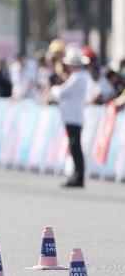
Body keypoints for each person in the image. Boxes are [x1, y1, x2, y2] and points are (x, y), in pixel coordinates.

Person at [47, 45, 89, 188]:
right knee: (74, 146)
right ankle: (77, 175)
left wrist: (53, 89)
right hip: (72, 116)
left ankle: (79, 177)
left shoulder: (78, 77)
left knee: (75, 146)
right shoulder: (78, 76)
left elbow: (62, 92)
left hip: (73, 117)